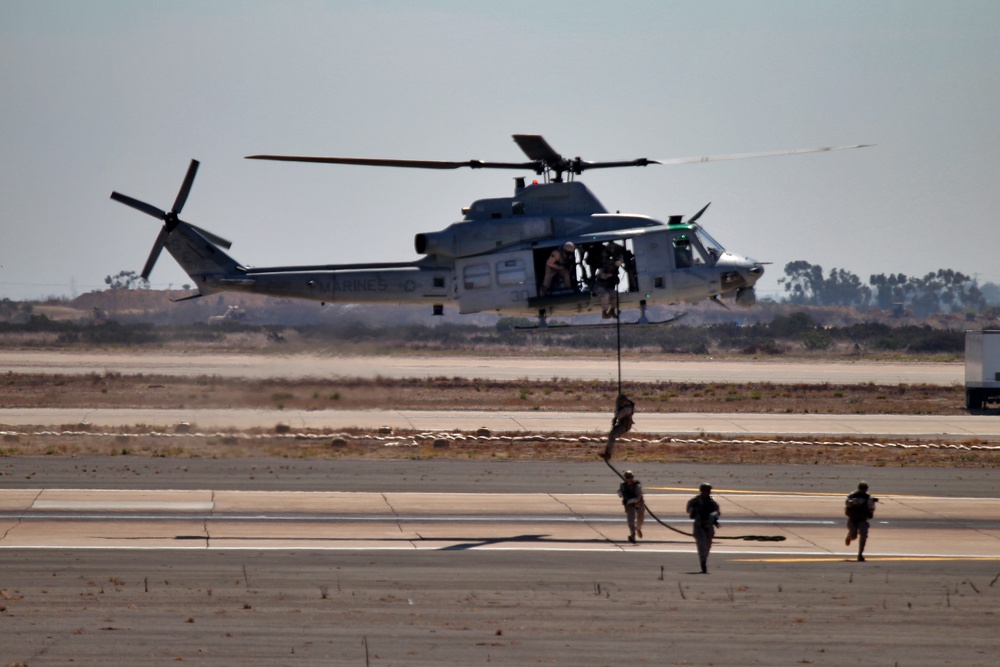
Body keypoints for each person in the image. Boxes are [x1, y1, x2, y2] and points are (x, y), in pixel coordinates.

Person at [686, 483, 720, 573]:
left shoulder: (712, 502)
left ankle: (704, 559)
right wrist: (694, 510)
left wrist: (713, 518)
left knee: (708, 546)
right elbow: (688, 509)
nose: (707, 493)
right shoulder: (695, 501)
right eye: (705, 491)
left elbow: (717, 512)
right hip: (699, 526)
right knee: (701, 545)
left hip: (709, 527)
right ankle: (703, 563)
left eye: (708, 491)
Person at [845, 481, 876, 562]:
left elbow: (871, 508)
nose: (863, 490)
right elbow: (847, 503)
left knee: (864, 536)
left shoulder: (868, 498)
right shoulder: (852, 495)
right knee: (853, 535)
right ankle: (849, 537)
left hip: (862, 519)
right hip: (853, 519)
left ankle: (860, 554)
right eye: (862, 489)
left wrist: (870, 507)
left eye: (864, 489)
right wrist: (854, 503)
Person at [601, 394, 634, 460]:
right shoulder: (625, 406)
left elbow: (618, 415)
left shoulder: (627, 409)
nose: (620, 404)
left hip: (624, 426)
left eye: (621, 403)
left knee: (612, 436)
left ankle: (608, 454)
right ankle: (607, 453)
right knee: (611, 435)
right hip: (620, 425)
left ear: (625, 402)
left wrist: (617, 409)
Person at [617, 470, 645, 544]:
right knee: (630, 521)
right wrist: (621, 494)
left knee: (640, 520)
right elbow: (619, 492)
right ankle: (632, 536)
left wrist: (629, 501)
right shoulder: (623, 486)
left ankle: (638, 528)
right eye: (627, 478)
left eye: (630, 477)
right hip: (629, 506)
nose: (629, 479)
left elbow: (638, 498)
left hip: (639, 504)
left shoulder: (637, 486)